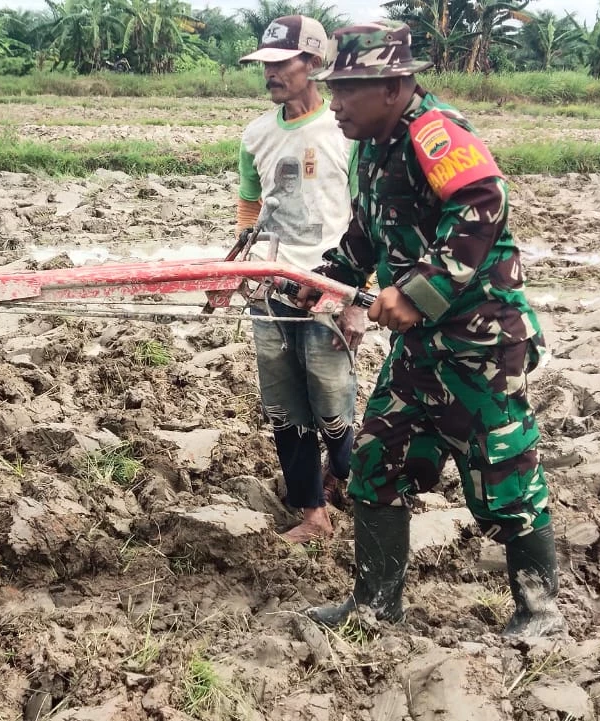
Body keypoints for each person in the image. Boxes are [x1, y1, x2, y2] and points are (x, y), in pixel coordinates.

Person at [297, 20, 565, 638]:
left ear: (394, 86)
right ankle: (374, 607)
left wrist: (418, 293)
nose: (334, 104)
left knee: (504, 475)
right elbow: (368, 233)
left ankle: (540, 614)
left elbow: (483, 204)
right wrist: (327, 277)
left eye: (346, 91)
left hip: (481, 347)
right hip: (420, 351)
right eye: (333, 89)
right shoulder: (371, 144)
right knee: (374, 463)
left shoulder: (434, 132)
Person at [236, 15, 365, 544]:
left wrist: (355, 296)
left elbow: (365, 216)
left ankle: (344, 474)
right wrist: (237, 268)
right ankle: (312, 512)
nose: (270, 74)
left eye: (280, 63)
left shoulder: (345, 130)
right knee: (284, 405)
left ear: (312, 63)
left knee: (332, 401)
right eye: (264, 65)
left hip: (328, 289)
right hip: (270, 285)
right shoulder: (256, 134)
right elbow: (250, 206)